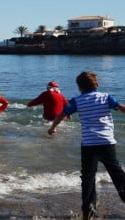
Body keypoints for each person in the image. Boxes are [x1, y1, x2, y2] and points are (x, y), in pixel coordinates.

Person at [48, 71, 125, 219]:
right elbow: (121, 108)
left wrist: (53, 128)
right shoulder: (105, 97)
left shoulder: (77, 100)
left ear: (79, 87)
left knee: (88, 176)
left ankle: (88, 208)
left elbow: (62, 114)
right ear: (96, 84)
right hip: (107, 143)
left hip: (89, 144)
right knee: (117, 174)